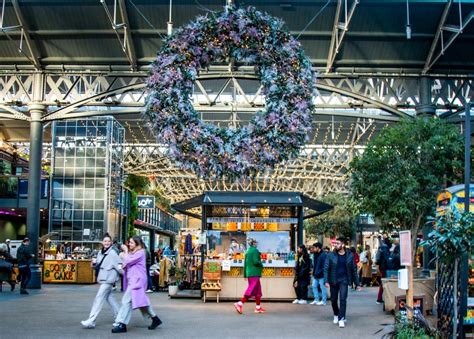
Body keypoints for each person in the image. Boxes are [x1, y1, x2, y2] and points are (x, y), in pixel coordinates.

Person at [112, 236, 162, 333]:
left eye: (131, 243)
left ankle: (122, 324)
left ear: (137, 244)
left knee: (126, 301)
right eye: (129, 243)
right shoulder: (136, 253)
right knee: (141, 301)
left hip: (137, 280)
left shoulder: (140, 253)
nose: (129, 244)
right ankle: (155, 319)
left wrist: (125, 251)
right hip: (135, 280)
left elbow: (127, 261)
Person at [81, 234, 122, 329]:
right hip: (103, 278)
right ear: (102, 242)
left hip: (108, 279)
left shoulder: (112, 253)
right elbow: (96, 265)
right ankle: (120, 317)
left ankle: (91, 320)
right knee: (110, 298)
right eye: (105, 241)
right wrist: (93, 263)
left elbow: (119, 265)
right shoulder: (100, 252)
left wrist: (128, 275)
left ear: (111, 242)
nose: (107, 243)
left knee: (98, 299)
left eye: (108, 241)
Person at [324, 237, 361, 328]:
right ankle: (336, 314)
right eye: (335, 244)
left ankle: (341, 318)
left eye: (338, 243)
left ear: (343, 245)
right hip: (333, 280)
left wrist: (357, 284)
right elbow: (326, 268)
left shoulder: (350, 255)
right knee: (333, 300)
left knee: (343, 299)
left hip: (344, 280)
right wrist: (326, 281)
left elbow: (353, 270)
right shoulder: (330, 255)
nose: (336, 245)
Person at [233, 238, 265, 314]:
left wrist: (245, 274)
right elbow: (256, 262)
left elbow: (245, 264)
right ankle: (239, 303)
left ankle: (258, 307)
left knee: (258, 291)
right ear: (253, 243)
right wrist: (261, 263)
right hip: (254, 273)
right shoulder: (255, 250)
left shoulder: (247, 251)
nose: (257, 244)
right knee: (251, 290)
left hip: (249, 273)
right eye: (256, 242)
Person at [375, 237, 391, 304]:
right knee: (383, 283)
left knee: (382, 283)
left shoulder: (382, 247)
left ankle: (380, 298)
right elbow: (387, 259)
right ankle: (379, 299)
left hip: (382, 267)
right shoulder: (385, 248)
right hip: (384, 268)